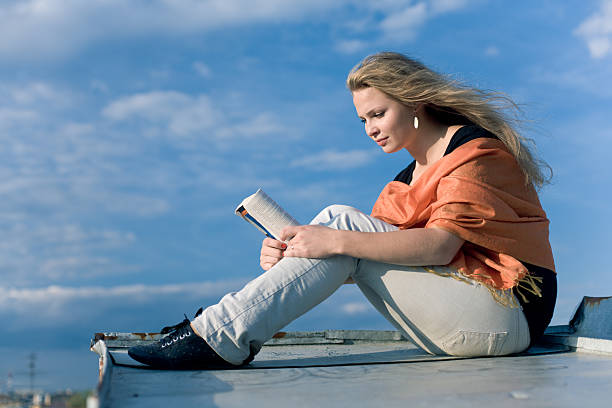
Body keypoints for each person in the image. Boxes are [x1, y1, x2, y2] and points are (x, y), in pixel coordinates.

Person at [128, 52, 556, 369]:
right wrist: (295, 255)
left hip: (508, 316)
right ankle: (218, 332)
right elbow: (365, 261)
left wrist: (330, 239)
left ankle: (215, 335)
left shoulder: (477, 153)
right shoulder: (405, 181)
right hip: (458, 321)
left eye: (377, 114)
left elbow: (440, 247)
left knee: (340, 221)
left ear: (413, 103)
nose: (370, 129)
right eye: (362, 120)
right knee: (341, 230)